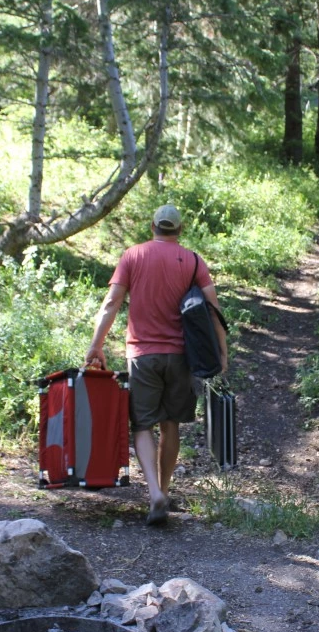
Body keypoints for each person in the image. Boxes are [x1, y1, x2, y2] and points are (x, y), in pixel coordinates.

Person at [85, 204, 227, 526]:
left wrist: (96, 346)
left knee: (143, 425)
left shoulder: (133, 255)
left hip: (142, 355)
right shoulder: (192, 261)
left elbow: (112, 303)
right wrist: (222, 351)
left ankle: (154, 494)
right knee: (171, 424)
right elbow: (213, 309)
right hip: (181, 356)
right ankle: (164, 487)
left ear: (152, 226)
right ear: (180, 228)